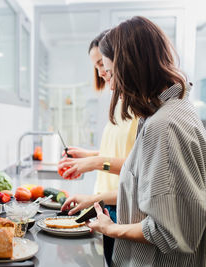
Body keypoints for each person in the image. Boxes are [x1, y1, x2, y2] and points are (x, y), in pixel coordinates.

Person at [81, 16, 206, 266]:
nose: (110, 82)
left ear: (128, 68)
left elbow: (170, 231)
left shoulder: (165, 126)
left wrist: (111, 228)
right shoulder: (167, 113)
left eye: (109, 70)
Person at [58, 31, 138, 265]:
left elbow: (138, 167)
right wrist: (88, 155)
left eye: (103, 64)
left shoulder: (140, 109)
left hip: (123, 207)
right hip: (109, 203)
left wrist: (92, 163)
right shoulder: (119, 103)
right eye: (96, 66)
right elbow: (122, 153)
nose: (101, 72)